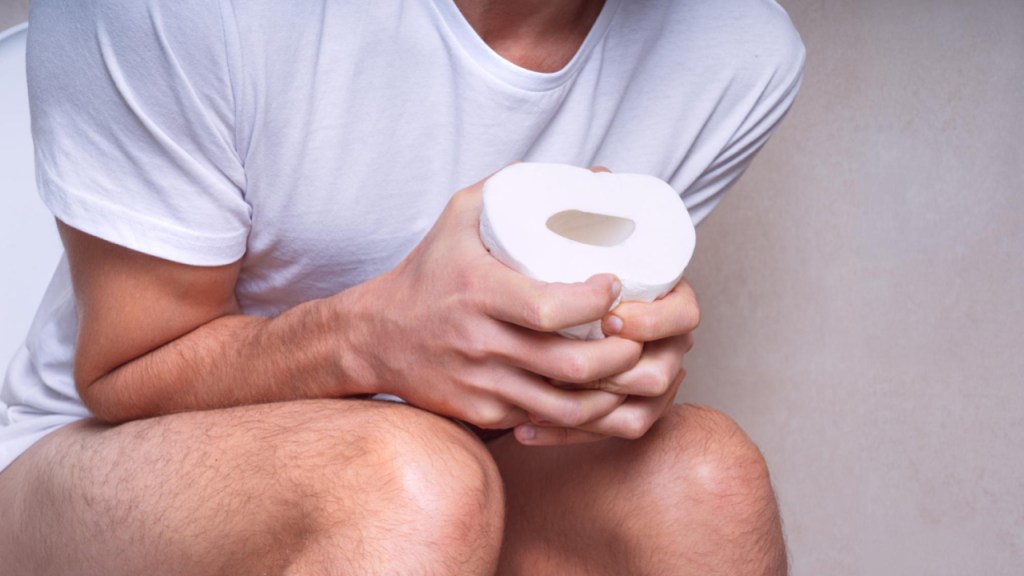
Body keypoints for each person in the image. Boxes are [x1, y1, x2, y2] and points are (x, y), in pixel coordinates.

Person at [0, 0, 805, 573]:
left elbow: (542, 364)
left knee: (708, 478)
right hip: (85, 463)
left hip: (456, 467)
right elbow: (122, 374)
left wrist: (600, 374)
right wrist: (368, 340)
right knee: (410, 481)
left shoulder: (739, 52)